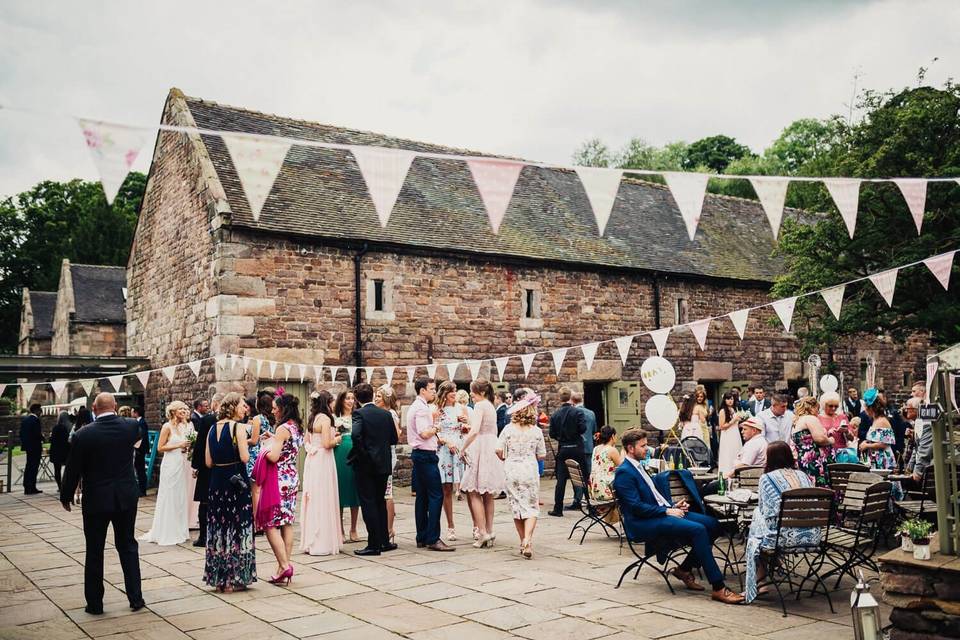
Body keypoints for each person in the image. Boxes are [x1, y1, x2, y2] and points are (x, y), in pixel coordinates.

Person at [613, 428, 744, 604]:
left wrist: (672, 506)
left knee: (713, 524)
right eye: (643, 446)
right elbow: (636, 507)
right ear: (630, 448)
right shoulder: (624, 472)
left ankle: (684, 569)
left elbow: (653, 498)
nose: (648, 449)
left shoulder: (639, 466)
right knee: (698, 530)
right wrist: (667, 511)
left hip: (659, 513)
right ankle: (719, 588)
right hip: (642, 523)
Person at [59, 392, 144, 615]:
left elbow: (73, 468)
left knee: (94, 550)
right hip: (126, 496)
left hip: (96, 498)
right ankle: (136, 598)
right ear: (115, 406)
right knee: (128, 546)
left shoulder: (83, 434)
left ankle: (95, 604)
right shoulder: (131, 426)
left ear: (94, 408)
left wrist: (66, 495)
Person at [742, 442, 819, 603]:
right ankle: (772, 565)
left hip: (784, 538)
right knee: (761, 525)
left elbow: (767, 512)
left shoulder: (767, 478)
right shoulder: (803, 475)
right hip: (812, 535)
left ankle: (759, 581)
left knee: (757, 524)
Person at [202, 392, 256, 592]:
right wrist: (249, 445)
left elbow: (208, 462)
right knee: (237, 527)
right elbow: (244, 457)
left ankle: (219, 579)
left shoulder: (211, 429)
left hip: (217, 483)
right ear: (233, 407)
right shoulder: (238, 428)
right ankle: (234, 578)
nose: (245, 408)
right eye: (243, 405)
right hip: (235, 483)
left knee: (218, 530)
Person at [254, 393, 303, 585]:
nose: (273, 410)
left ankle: (284, 566)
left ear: (283, 408)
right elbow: (288, 447)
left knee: (269, 524)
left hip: (278, 479)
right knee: (287, 522)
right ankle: (284, 565)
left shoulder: (283, 427)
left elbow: (273, 457)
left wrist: (265, 448)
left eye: (275, 407)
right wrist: (275, 438)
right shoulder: (295, 426)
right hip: (291, 477)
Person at [349, 383, 399, 556]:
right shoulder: (386, 414)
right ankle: (384, 541)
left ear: (356, 397)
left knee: (368, 503)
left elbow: (356, 435)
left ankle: (373, 545)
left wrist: (364, 455)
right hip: (384, 464)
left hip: (366, 466)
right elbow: (394, 438)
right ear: (371, 395)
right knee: (380, 502)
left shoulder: (358, 413)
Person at [496, 390, 547, 558]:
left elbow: (498, 449)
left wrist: (504, 457)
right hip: (529, 470)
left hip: (511, 469)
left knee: (517, 507)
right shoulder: (536, 431)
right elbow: (542, 455)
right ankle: (528, 540)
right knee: (531, 507)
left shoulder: (508, 429)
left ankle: (522, 541)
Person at [407, 377, 453, 551]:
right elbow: (424, 433)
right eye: (432, 389)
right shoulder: (420, 409)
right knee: (436, 496)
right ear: (422, 391)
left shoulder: (421, 406)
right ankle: (433, 538)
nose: (434, 392)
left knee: (423, 497)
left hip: (421, 455)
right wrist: (437, 427)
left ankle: (422, 536)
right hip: (425, 456)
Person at [460, 378, 506, 548]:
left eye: (473, 391)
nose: (471, 394)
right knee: (487, 492)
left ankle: (482, 533)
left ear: (482, 392)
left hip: (480, 446)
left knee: (473, 491)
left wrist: (463, 448)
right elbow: (492, 430)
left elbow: (475, 431)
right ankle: (489, 530)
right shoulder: (490, 406)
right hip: (490, 446)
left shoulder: (480, 406)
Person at [139, 401, 193, 545]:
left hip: (181, 463)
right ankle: (167, 531)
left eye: (185, 408)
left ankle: (180, 530)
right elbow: (160, 447)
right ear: (173, 411)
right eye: (181, 408)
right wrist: (179, 445)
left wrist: (186, 448)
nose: (184, 411)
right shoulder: (167, 426)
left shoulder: (185, 426)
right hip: (170, 464)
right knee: (169, 495)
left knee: (180, 497)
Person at [300, 391, 342, 556]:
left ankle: (311, 541)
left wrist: (312, 450)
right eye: (332, 402)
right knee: (324, 497)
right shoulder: (325, 419)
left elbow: (306, 442)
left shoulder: (313, 418)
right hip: (324, 460)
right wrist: (338, 439)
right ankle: (323, 543)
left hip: (313, 460)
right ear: (327, 402)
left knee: (313, 498)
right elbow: (326, 444)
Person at [547, 387, 587, 517]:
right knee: (583, 477)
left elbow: (552, 433)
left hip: (563, 448)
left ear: (560, 398)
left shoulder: (555, 415)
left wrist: (561, 437)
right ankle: (591, 507)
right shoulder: (578, 412)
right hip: (577, 447)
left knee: (561, 480)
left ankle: (558, 508)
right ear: (570, 397)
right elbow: (583, 429)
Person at [435, 381, 467, 541]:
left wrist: (464, 423)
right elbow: (435, 432)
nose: (454, 394)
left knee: (467, 487)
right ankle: (450, 526)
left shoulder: (460, 408)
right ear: (444, 393)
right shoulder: (437, 411)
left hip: (459, 448)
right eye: (451, 391)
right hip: (445, 450)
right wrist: (446, 442)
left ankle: (476, 526)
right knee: (446, 488)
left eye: (455, 391)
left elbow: (467, 429)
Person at [374, 385, 402, 544]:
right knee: (384, 493)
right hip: (384, 453)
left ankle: (390, 529)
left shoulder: (390, 414)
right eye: (376, 396)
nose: (376, 398)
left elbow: (397, 434)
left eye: (379, 396)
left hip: (388, 454)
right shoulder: (383, 413)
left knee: (388, 493)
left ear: (386, 398)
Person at [191, 395, 221, 547]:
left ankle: (204, 536)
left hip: (207, 466)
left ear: (215, 403)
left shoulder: (208, 420)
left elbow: (200, 444)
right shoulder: (237, 421)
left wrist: (196, 466)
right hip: (225, 466)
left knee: (205, 502)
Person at [334, 389, 361, 543]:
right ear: (341, 401)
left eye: (352, 398)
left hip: (356, 452)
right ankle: (341, 530)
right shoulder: (335, 418)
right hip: (340, 453)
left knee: (355, 489)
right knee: (341, 489)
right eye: (347, 398)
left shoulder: (358, 416)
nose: (350, 401)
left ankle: (354, 528)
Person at [790, 396, 834, 488]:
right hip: (814, 460)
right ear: (812, 407)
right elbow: (820, 439)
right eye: (817, 409)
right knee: (818, 487)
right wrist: (831, 440)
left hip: (803, 459)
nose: (818, 413)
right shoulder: (810, 418)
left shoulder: (797, 421)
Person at [246, 393, 275, 523]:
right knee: (266, 489)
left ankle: (257, 521)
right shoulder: (273, 418)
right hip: (269, 452)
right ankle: (269, 517)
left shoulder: (258, 418)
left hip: (256, 454)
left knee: (256, 490)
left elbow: (253, 440)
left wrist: (241, 441)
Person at [588, 426, 622, 523]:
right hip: (605, 490)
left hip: (593, 489)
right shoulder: (612, 450)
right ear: (612, 436)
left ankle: (612, 520)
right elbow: (622, 467)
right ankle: (621, 521)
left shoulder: (596, 448)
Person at [569, 391, 597, 509]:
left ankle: (577, 500)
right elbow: (594, 430)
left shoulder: (574, 413)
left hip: (577, 447)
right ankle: (590, 499)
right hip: (589, 447)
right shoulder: (591, 413)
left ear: (573, 401)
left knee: (576, 474)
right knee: (588, 474)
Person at [859, 389, 897, 471]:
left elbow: (884, 444)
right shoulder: (875, 420)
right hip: (875, 458)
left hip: (882, 459)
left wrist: (867, 446)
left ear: (870, 408)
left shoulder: (882, 421)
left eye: (865, 407)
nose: (864, 410)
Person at [19, 403, 44, 494]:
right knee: (33, 467)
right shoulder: (35, 420)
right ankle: (32, 487)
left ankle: (27, 486)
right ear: (36, 411)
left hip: (28, 447)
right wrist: (42, 437)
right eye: (40, 410)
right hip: (35, 447)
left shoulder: (25, 420)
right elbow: (36, 433)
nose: (41, 412)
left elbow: (21, 434)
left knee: (29, 466)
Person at [716, 392, 743, 475]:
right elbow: (721, 426)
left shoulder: (734, 409)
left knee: (736, 452)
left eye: (731, 399)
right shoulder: (722, 411)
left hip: (735, 434)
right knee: (728, 453)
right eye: (728, 399)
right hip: (727, 435)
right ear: (724, 400)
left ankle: (736, 471)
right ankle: (726, 473)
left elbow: (735, 424)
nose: (730, 401)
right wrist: (733, 421)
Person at [49, 411, 72, 493]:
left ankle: (60, 486)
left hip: (56, 451)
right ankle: (66, 485)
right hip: (66, 451)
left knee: (57, 470)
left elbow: (52, 439)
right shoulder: (69, 427)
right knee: (68, 469)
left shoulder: (56, 427)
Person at [131, 406, 149, 496]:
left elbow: (142, 437)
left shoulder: (141, 422)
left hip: (140, 450)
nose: (131, 413)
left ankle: (142, 490)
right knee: (138, 469)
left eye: (132, 411)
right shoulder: (138, 422)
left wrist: (137, 448)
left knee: (140, 470)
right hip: (138, 450)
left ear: (136, 412)